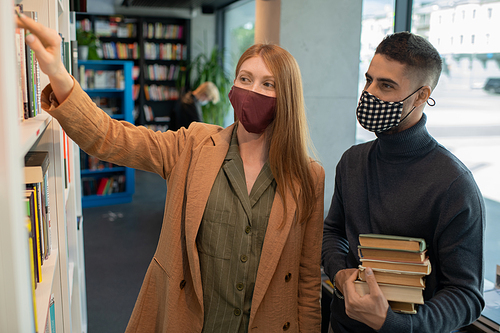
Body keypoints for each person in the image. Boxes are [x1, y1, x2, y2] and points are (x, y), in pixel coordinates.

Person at [17, 13, 325, 333]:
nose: (251, 91)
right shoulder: (193, 146)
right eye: (244, 79)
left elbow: (306, 280)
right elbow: (110, 137)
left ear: (287, 97)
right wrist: (58, 74)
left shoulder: (308, 178)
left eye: (268, 84)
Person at [322, 31, 485, 333]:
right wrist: (340, 272)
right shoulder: (352, 161)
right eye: (369, 80)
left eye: (386, 85)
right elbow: (333, 230)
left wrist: (394, 324)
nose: (370, 93)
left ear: (422, 96)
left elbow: (466, 295)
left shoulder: (454, 184)